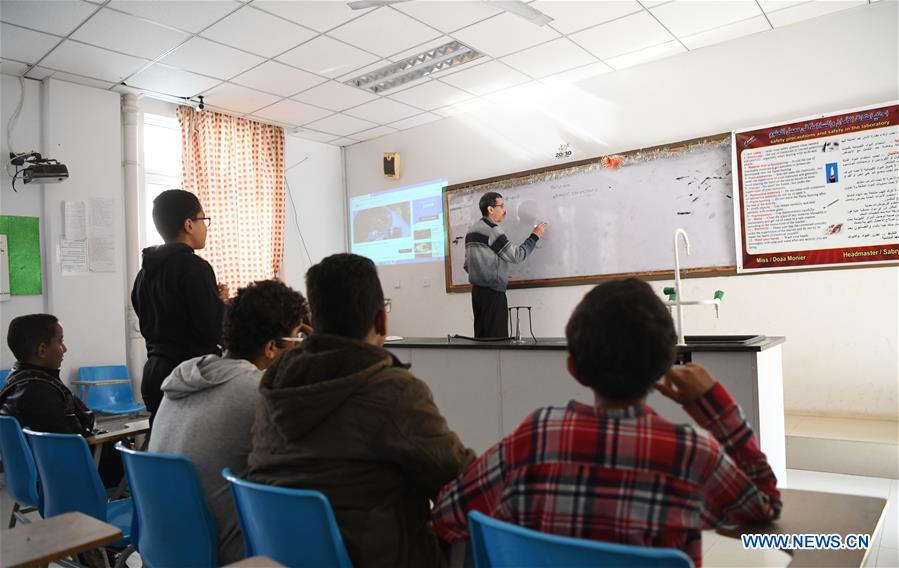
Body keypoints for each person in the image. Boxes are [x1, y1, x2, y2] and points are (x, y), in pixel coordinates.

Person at [432, 278, 782, 566]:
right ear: (666, 365)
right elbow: (764, 505)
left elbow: (448, 514)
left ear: (575, 369)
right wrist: (714, 405)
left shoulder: (536, 436)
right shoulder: (693, 455)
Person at [249, 253, 475, 568]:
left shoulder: (273, 385)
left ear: (312, 322)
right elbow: (462, 476)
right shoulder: (392, 390)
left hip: (285, 558)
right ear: (381, 320)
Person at [149, 279, 309, 564]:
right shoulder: (260, 392)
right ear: (271, 347)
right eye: (299, 338)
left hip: (162, 548)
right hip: (226, 555)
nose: (302, 348)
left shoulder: (181, 379)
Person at [131, 189, 225, 422]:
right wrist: (222, 307)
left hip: (154, 376)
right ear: (189, 224)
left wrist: (213, 300)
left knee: (163, 450)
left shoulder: (144, 273)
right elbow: (214, 329)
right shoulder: (194, 267)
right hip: (188, 377)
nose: (205, 227)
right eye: (203, 220)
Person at [0, 314, 123, 487]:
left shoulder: (14, 382)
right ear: (42, 350)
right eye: (60, 342)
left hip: (30, 478)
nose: (64, 349)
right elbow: (76, 444)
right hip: (68, 480)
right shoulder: (40, 393)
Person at [464, 191, 546, 338]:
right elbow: (517, 255)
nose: (505, 210)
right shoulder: (492, 231)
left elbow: (467, 265)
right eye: (501, 206)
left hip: (477, 294)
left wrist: (496, 270)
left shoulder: (471, 231)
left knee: (481, 341)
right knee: (496, 342)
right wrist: (535, 235)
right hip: (493, 295)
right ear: (490, 209)